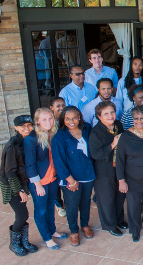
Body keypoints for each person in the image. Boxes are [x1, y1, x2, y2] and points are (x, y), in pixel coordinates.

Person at [51, 106, 95, 247]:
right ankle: (74, 231)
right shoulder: (59, 137)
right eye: (67, 118)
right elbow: (59, 162)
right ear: (63, 120)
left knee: (85, 201)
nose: (71, 121)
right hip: (70, 178)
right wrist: (71, 180)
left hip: (87, 174)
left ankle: (85, 225)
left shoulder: (87, 129)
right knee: (71, 205)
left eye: (74, 118)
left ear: (80, 117)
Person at [24, 108, 67, 250]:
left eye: (50, 118)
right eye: (44, 119)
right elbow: (30, 165)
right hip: (40, 182)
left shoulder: (53, 134)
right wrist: (37, 185)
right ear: (37, 121)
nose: (48, 122)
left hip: (52, 179)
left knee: (50, 207)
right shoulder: (31, 138)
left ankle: (52, 230)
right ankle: (47, 237)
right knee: (40, 210)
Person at [116, 105, 143, 242]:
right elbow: (120, 160)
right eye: (136, 118)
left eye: (142, 118)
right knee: (133, 206)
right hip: (132, 177)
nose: (139, 121)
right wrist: (121, 181)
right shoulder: (125, 136)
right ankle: (135, 230)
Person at [88, 101, 128, 237]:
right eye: (106, 113)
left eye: (112, 112)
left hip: (119, 167)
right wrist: (112, 144)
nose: (110, 115)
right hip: (104, 171)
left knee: (119, 196)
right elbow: (95, 154)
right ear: (99, 116)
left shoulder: (118, 125)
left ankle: (119, 220)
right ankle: (110, 225)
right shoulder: (95, 133)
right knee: (107, 198)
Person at [1, 115, 38, 256]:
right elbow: (10, 173)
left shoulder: (26, 141)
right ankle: (14, 244)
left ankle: (24, 241)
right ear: (15, 128)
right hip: (12, 186)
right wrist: (20, 190)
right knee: (22, 215)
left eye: (29, 125)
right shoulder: (12, 146)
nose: (27, 128)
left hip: (21, 183)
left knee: (23, 215)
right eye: (23, 126)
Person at [49, 97, 66, 217]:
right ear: (52, 108)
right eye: (58, 106)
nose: (61, 108)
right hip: (52, 155)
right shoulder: (50, 122)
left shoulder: (66, 119)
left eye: (63, 106)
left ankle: (70, 202)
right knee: (55, 180)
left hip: (65, 153)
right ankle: (59, 204)